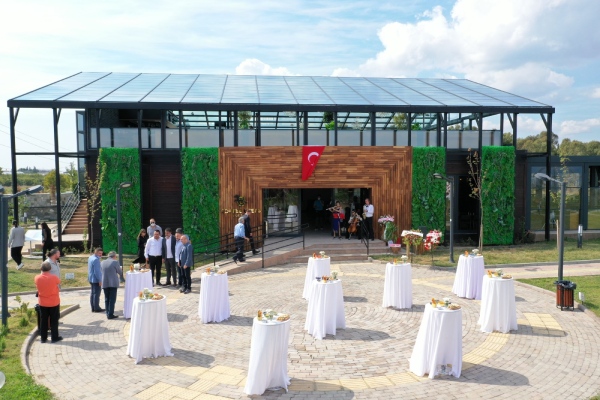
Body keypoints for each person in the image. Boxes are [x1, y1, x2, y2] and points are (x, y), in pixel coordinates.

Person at [35, 262, 62, 343]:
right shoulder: (54, 277)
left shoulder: (37, 278)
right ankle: (54, 337)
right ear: (50, 269)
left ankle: (43, 338)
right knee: (54, 320)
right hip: (54, 302)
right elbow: (59, 282)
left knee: (43, 320)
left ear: (41, 269)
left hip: (43, 303)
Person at [101, 251, 123, 319]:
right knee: (112, 299)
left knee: (106, 299)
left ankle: (107, 313)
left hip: (105, 282)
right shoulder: (115, 262)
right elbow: (120, 272)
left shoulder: (102, 262)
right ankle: (110, 314)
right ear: (114, 256)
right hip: (113, 283)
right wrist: (120, 269)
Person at [88, 247, 104, 313]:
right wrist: (100, 280)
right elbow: (97, 271)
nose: (101, 255)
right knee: (96, 294)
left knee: (93, 293)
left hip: (91, 278)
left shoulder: (90, 257)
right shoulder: (96, 260)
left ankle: (93, 307)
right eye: (99, 253)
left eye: (101, 253)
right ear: (96, 252)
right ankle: (97, 308)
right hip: (95, 279)